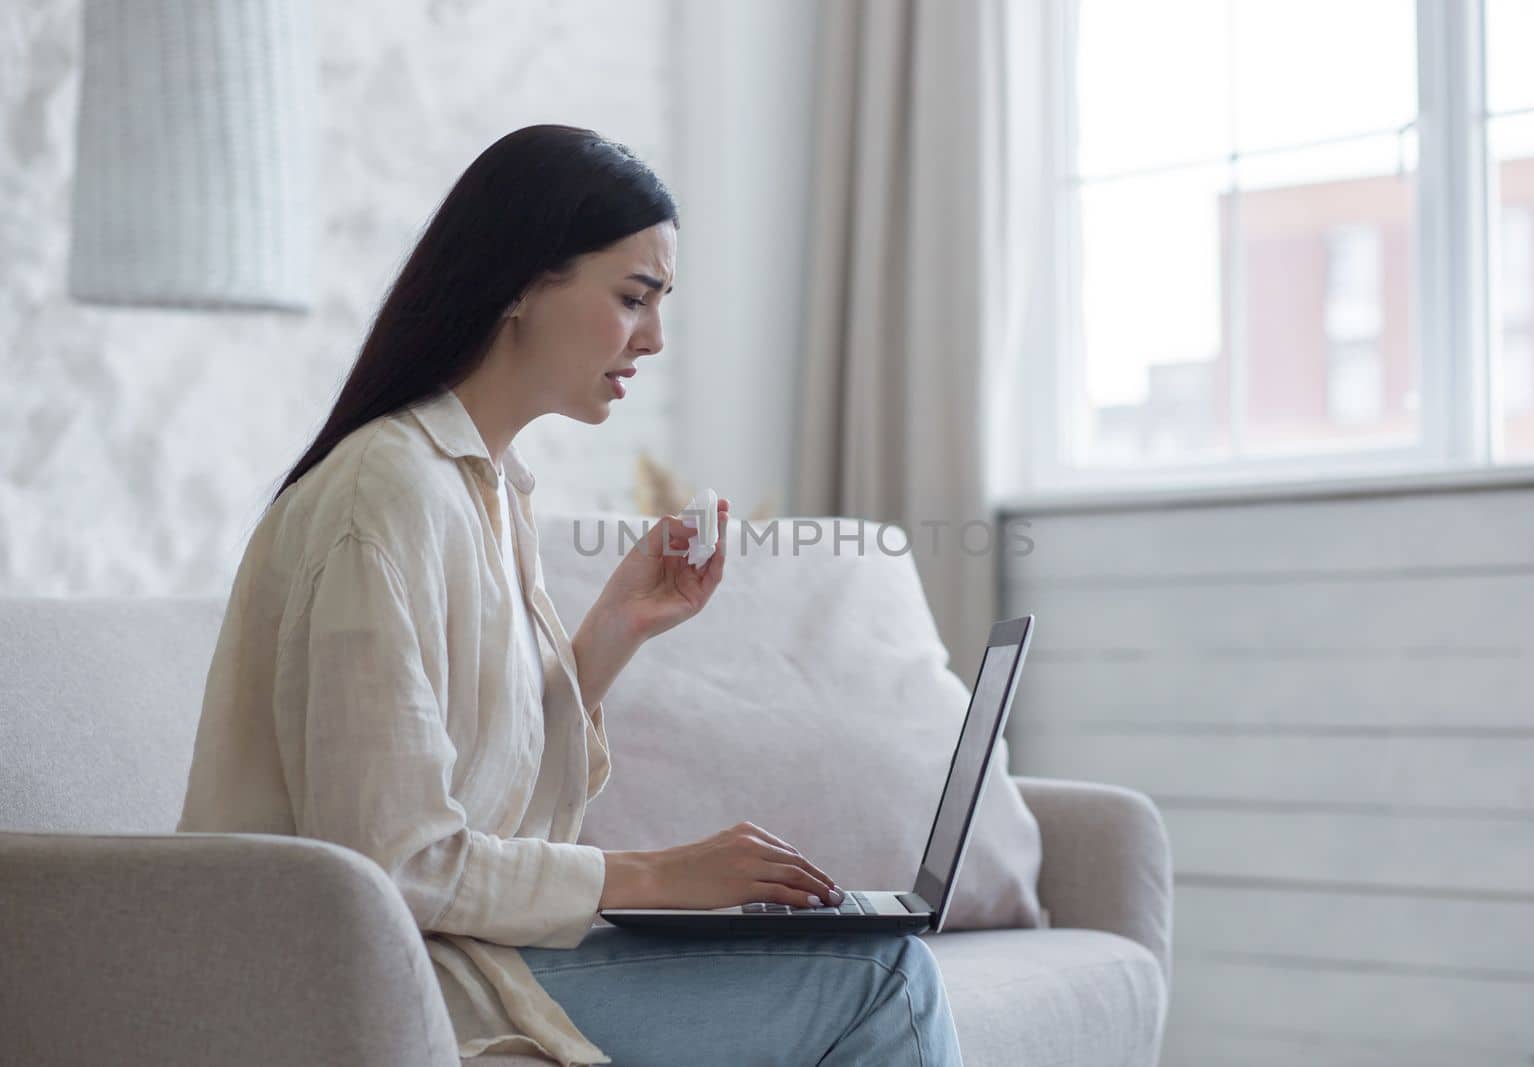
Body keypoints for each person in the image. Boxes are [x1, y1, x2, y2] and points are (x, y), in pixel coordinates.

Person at [175, 124, 963, 1066]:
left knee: (878, 964)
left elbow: (488, 799)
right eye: (634, 296)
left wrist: (614, 632)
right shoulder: (384, 496)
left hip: (458, 960)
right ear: (519, 281)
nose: (656, 337)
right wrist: (661, 877)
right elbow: (391, 863)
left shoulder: (485, 487)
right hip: (377, 991)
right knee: (885, 979)